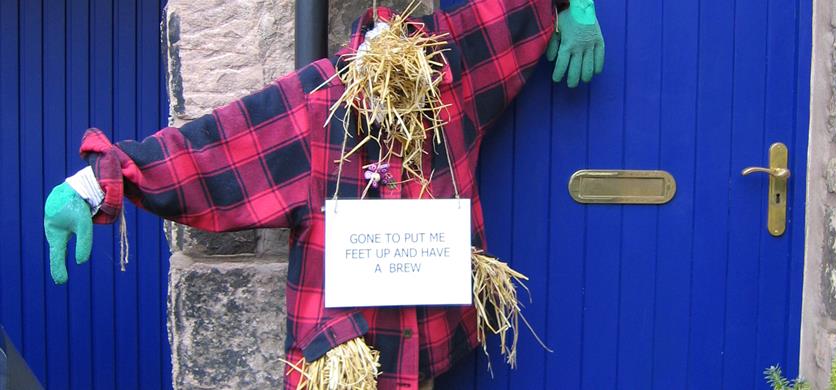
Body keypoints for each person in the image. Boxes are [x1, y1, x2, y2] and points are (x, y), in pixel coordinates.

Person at [43, 0, 604, 388]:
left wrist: (575, 5)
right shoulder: (315, 104)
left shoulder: (457, 71)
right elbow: (212, 149)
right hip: (340, 353)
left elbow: (514, 13)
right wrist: (93, 184)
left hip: (430, 338)